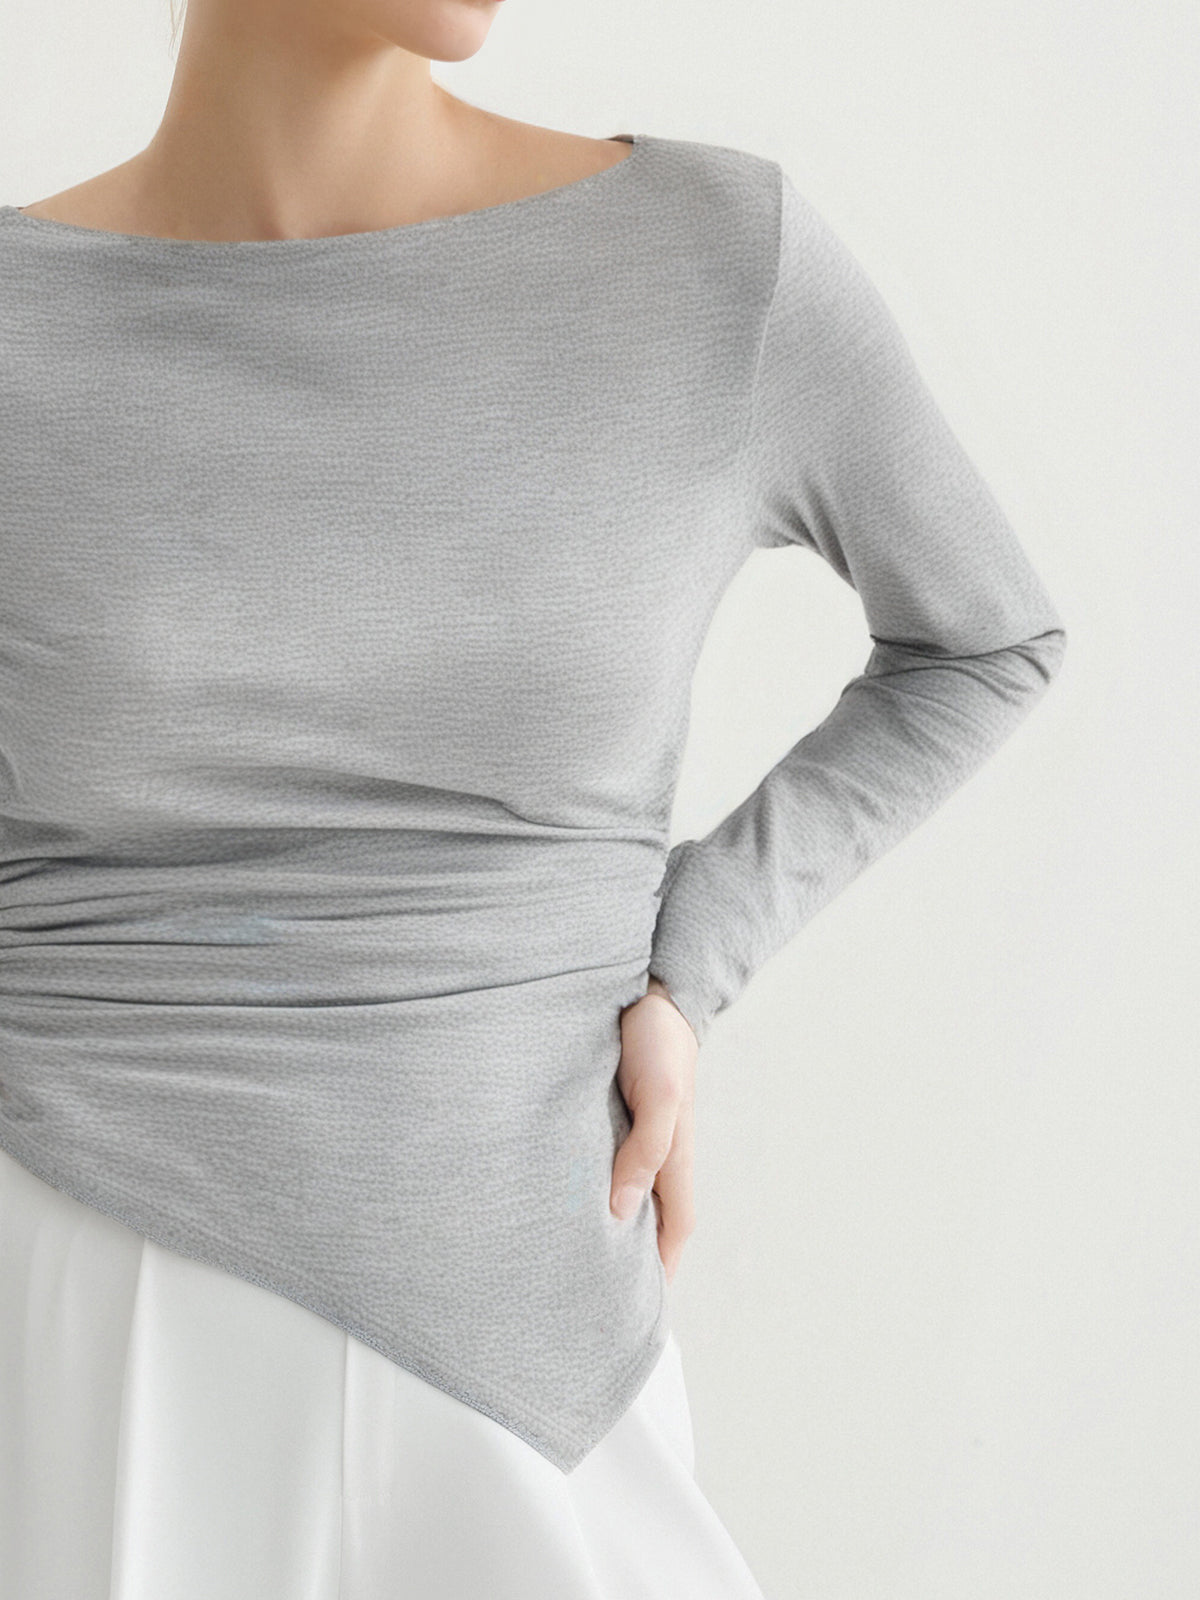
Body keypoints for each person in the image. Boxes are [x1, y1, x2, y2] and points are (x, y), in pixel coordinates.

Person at [0, 0, 1067, 1594]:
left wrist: (685, 962)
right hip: (71, 1277)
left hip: (530, 1296)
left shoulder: (716, 258)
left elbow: (984, 641)